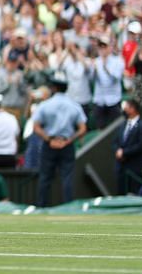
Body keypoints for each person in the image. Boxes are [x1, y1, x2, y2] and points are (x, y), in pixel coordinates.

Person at [32, 71, 87, 207]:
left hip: (49, 144)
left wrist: (49, 139)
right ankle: (68, 207)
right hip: (66, 144)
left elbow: (36, 127)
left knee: (45, 177)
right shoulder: (74, 105)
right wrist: (69, 140)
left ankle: (41, 206)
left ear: (54, 88)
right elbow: (82, 128)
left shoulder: (45, 105)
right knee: (67, 177)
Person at [113, 99, 142, 195]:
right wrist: (118, 151)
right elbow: (115, 141)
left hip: (135, 166)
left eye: (127, 107)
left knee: (135, 192)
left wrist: (124, 152)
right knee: (121, 192)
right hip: (121, 166)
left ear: (133, 108)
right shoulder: (122, 125)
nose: (125, 110)